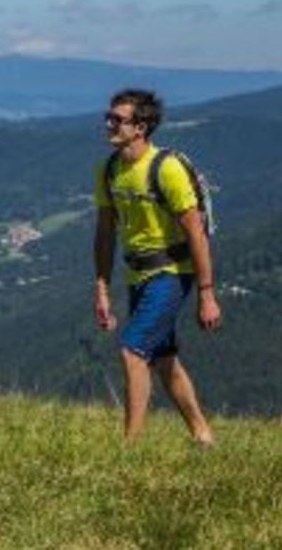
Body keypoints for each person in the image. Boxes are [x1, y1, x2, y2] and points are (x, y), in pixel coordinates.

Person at [93, 89, 220, 444]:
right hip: (138, 274)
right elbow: (105, 233)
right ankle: (202, 435)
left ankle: (129, 448)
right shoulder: (108, 170)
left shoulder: (167, 169)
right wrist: (101, 288)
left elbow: (196, 233)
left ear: (141, 127)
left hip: (172, 273)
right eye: (109, 117)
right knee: (164, 361)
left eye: (118, 120)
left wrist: (206, 294)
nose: (109, 124)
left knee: (132, 350)